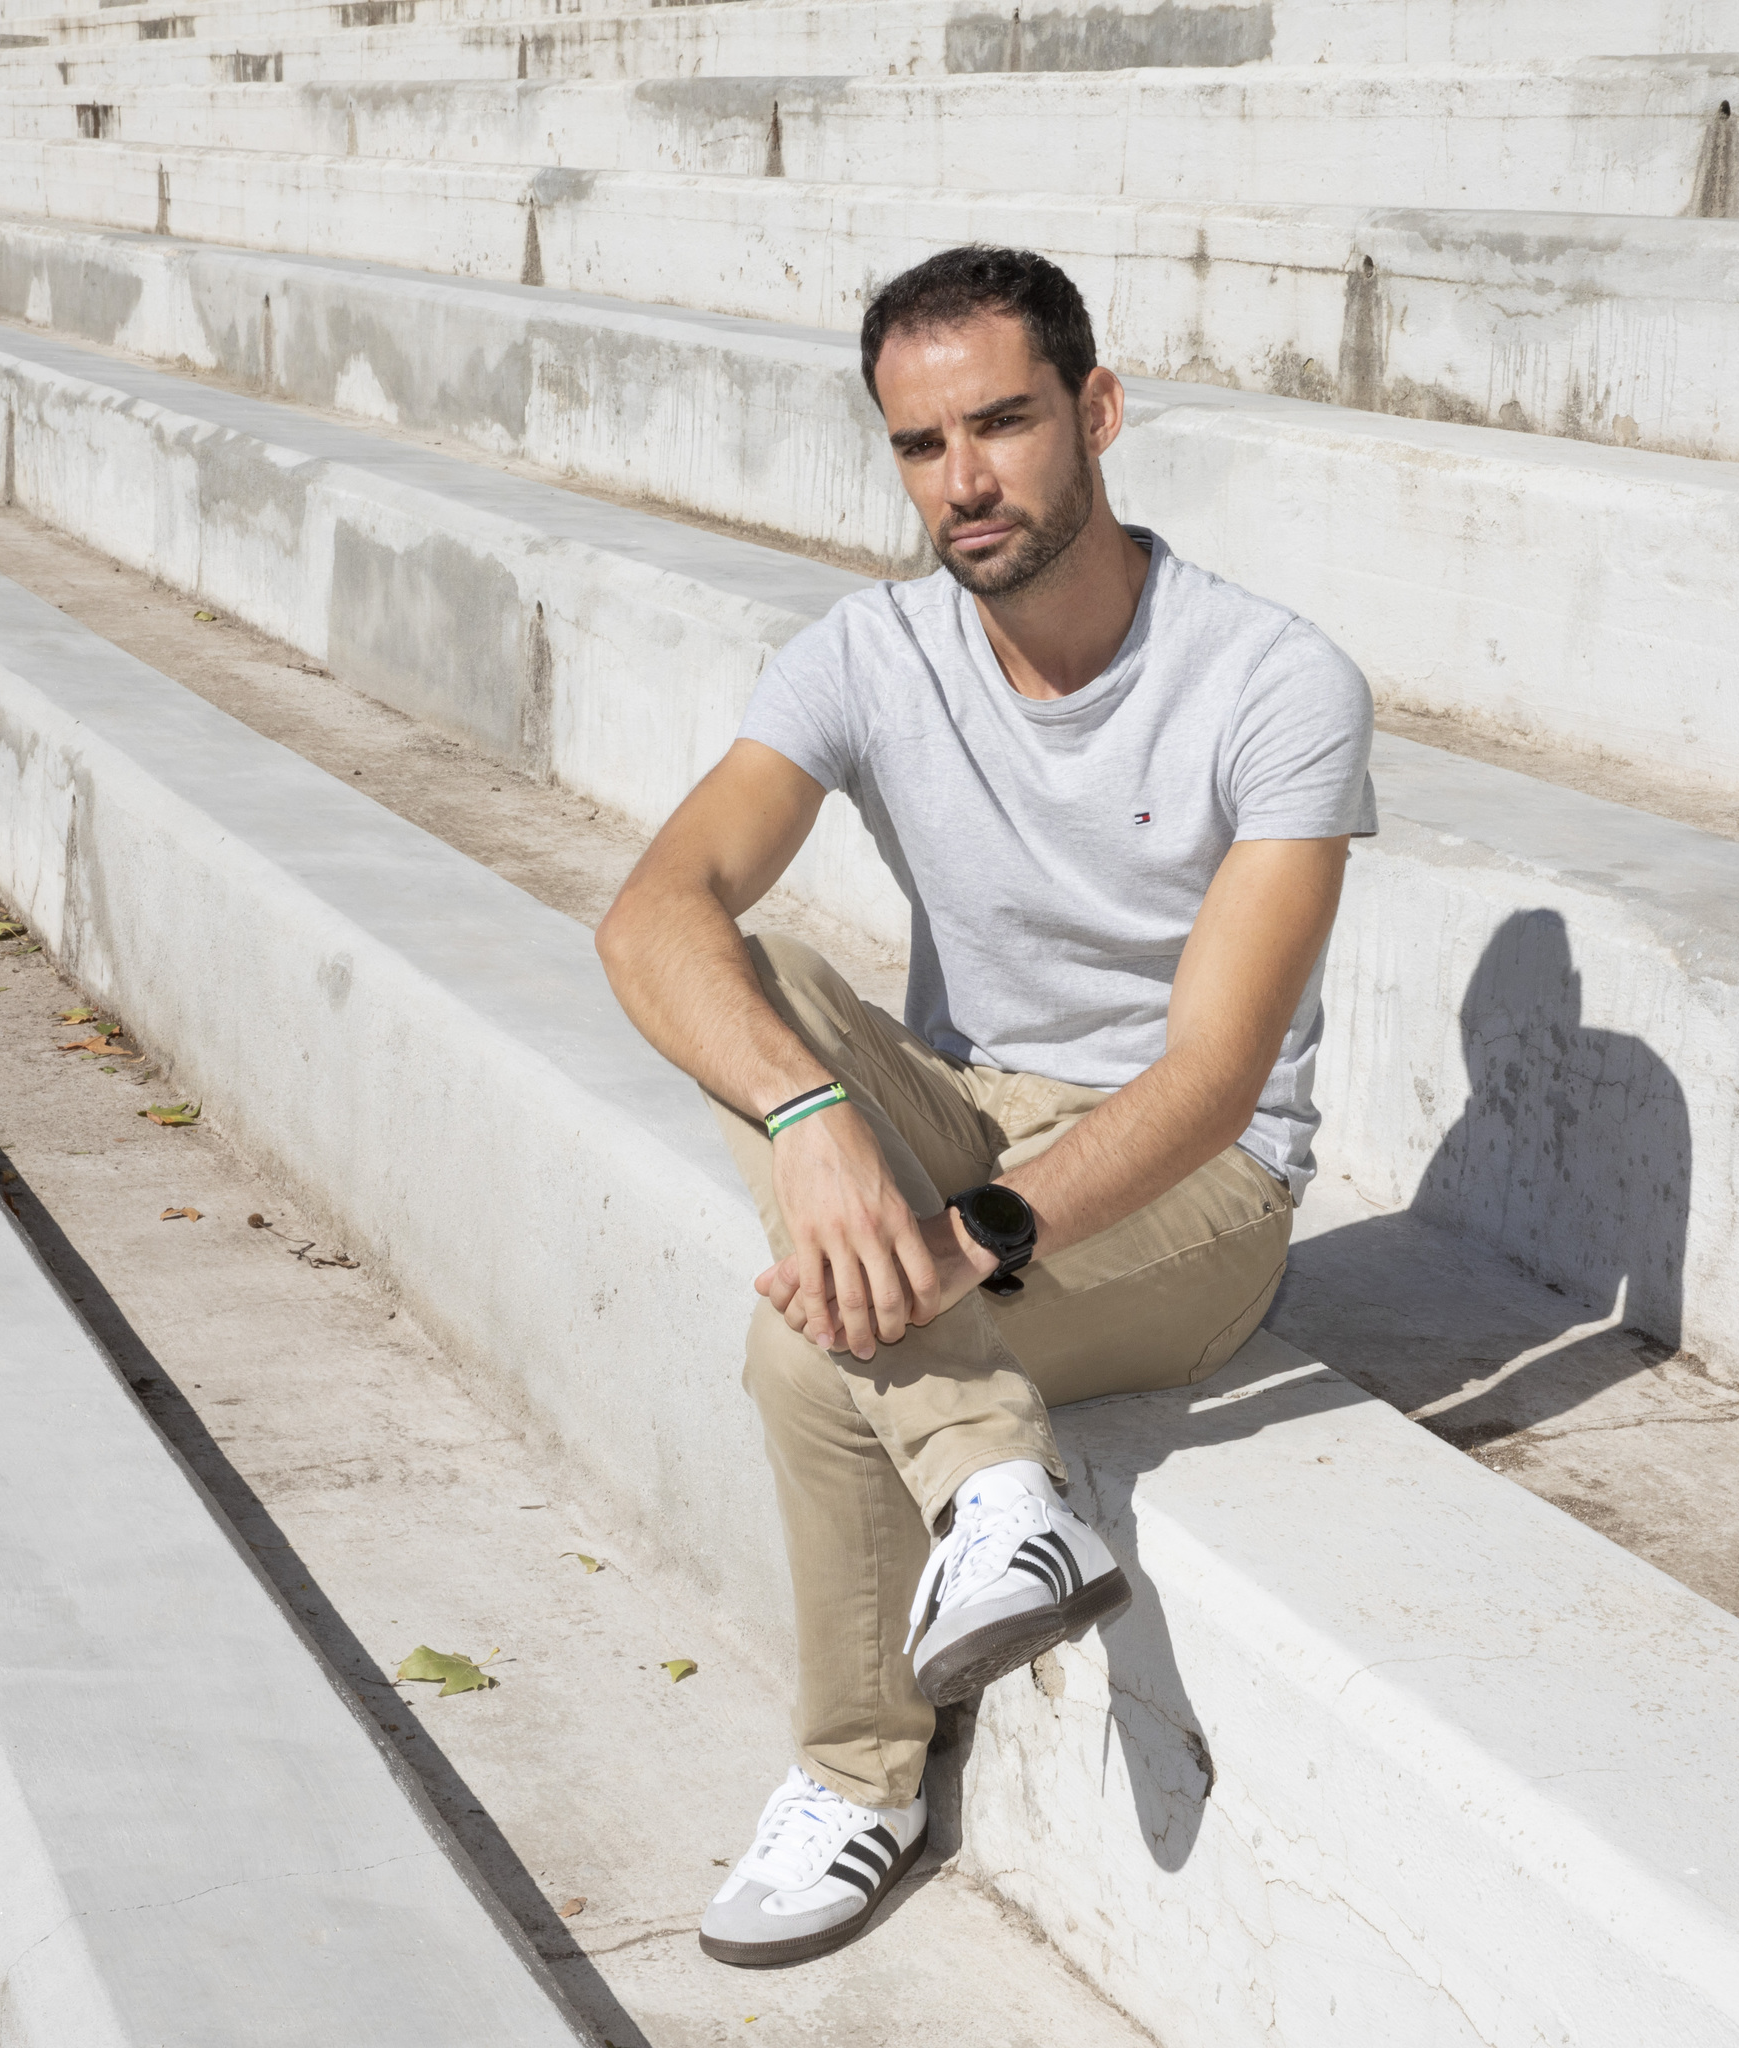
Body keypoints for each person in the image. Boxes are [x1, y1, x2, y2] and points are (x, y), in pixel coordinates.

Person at [596, 244, 1376, 1968]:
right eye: (920, 443)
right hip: (954, 1104)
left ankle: (860, 1780)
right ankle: (999, 1497)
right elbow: (649, 915)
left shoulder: (1276, 683)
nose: (965, 481)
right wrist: (814, 1131)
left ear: (1095, 413)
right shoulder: (869, 652)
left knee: (810, 1342)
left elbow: (1215, 1076)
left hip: (1196, 1184)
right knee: (759, 980)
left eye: (1006, 424)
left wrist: (967, 1241)